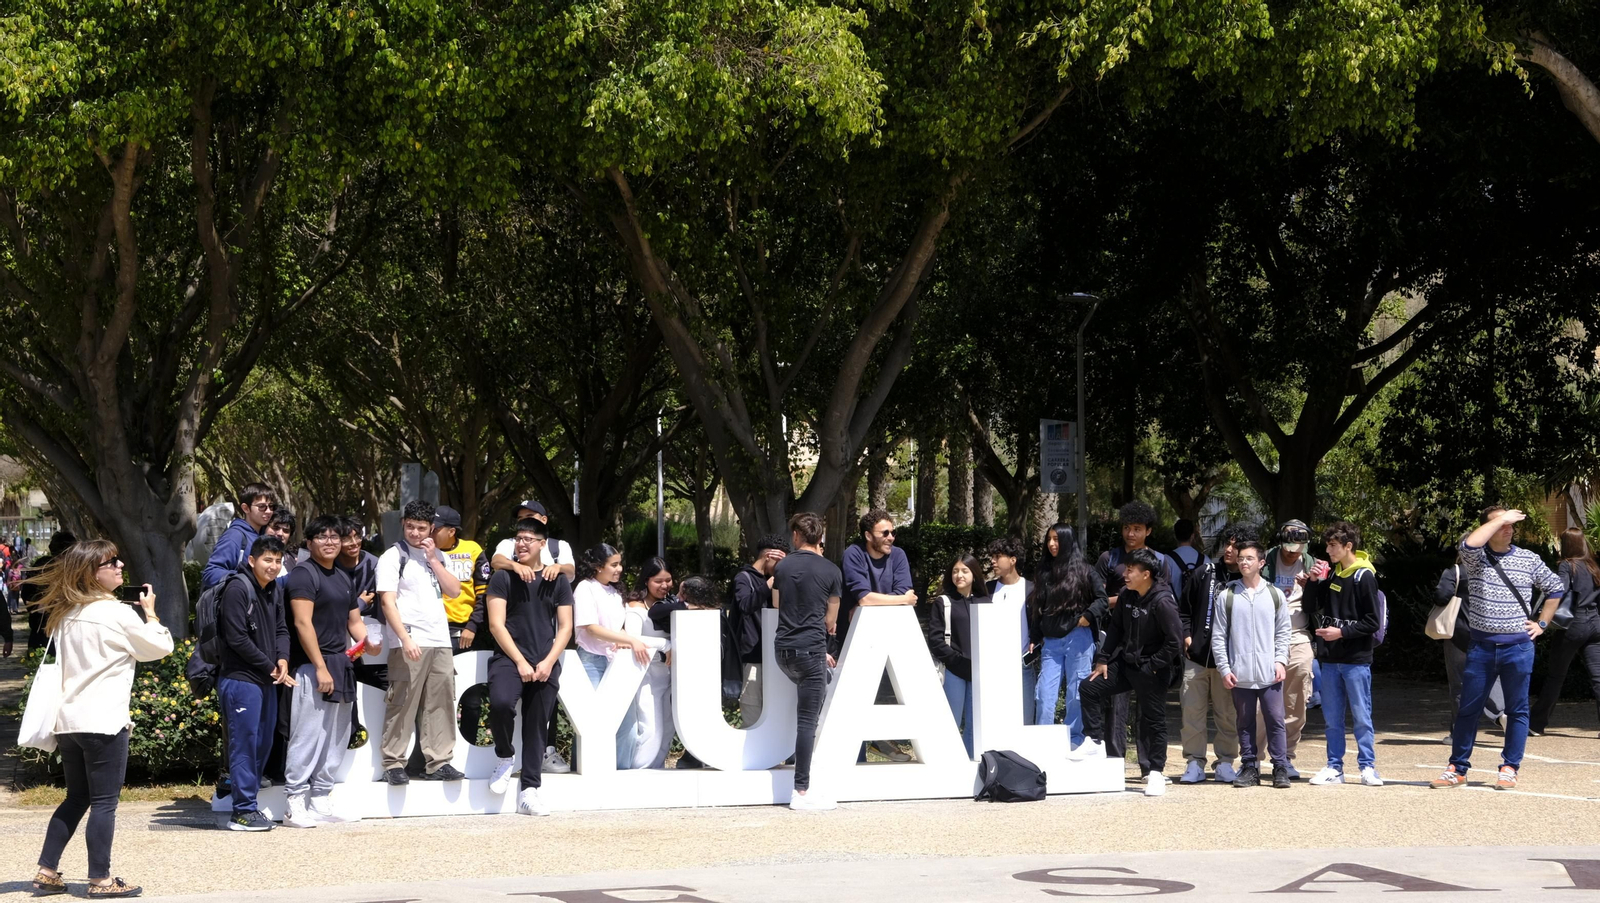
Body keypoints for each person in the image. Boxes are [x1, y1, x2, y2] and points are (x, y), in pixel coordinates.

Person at [28, 539, 173, 897]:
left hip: (69, 721)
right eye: (111, 563)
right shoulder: (116, 613)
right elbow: (160, 647)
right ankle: (100, 880)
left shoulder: (67, 614)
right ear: (92, 573)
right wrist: (151, 613)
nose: (120, 566)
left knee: (76, 798)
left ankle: (47, 871)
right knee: (104, 803)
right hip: (104, 720)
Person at [1432, 508, 1565, 790]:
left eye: (1510, 524)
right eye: (1501, 524)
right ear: (1488, 528)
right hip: (1481, 647)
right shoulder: (1476, 559)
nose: (1508, 528)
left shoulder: (1528, 558)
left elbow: (1555, 587)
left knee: (1517, 710)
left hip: (1518, 647)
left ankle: (1509, 768)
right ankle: (1457, 768)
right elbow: (1468, 545)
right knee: (1468, 708)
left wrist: (1542, 623)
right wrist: (1500, 519)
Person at [483, 517, 573, 817]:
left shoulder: (557, 580)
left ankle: (530, 789)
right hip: (509, 659)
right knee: (500, 704)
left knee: (537, 725)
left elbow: (565, 627)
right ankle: (505, 755)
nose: (522, 544)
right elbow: (496, 625)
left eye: (528, 539)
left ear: (542, 544)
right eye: (518, 538)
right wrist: (520, 661)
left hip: (545, 661)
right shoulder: (503, 577)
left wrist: (548, 661)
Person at [282, 515, 367, 828]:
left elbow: (354, 621)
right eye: (322, 537)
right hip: (311, 666)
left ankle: (320, 798)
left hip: (341, 664)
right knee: (308, 735)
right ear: (309, 542)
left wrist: (367, 642)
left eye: (335, 537)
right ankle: (294, 802)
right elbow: (302, 623)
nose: (330, 542)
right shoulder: (304, 574)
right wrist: (319, 667)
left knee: (337, 735)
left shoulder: (343, 576)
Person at [1075, 548, 1182, 797]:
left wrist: (1153, 665)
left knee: (1153, 720)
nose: (1125, 574)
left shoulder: (1162, 601)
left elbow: (1174, 641)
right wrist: (1103, 659)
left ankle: (1155, 772)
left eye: (1131, 570)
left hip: (1153, 669)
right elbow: (1115, 629)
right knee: (1089, 687)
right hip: (1126, 664)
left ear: (1146, 575)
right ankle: (1094, 741)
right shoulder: (1126, 594)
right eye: (1126, 568)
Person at [375, 501, 465, 785]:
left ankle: (439, 761)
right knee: (402, 702)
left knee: (441, 703)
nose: (415, 532)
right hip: (410, 639)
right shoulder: (392, 556)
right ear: (403, 524)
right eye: (410, 526)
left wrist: (434, 559)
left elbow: (454, 591)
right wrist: (404, 638)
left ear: (432, 528)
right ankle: (393, 763)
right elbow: (387, 602)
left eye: (421, 528)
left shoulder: (438, 556)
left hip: (440, 639)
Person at [1094, 501, 1182, 775]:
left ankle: (1148, 767)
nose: (1130, 533)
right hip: (1117, 637)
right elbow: (1097, 599)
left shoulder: (1160, 561)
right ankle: (1115, 763)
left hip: (1149, 644)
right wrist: (1122, 600)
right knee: (1116, 706)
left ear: (1148, 531)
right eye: (1126, 528)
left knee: (1148, 707)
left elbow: (1162, 596)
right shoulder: (1109, 558)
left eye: (1137, 528)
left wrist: (1127, 598)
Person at [217, 536, 295, 832]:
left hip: (267, 679)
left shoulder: (273, 588)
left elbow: (281, 629)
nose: (273, 566)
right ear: (252, 560)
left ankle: (247, 805)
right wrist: (270, 666)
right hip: (241, 680)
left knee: (263, 743)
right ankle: (242, 811)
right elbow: (236, 638)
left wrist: (283, 659)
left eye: (277, 561)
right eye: (267, 560)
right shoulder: (238, 588)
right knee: (245, 745)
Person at [1304, 520, 1384, 788]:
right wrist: (1313, 581)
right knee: (1332, 718)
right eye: (1327, 545)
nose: (1328, 550)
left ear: (1348, 546)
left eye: (1333, 545)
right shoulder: (1333, 574)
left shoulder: (1364, 576)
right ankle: (1334, 767)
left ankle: (1368, 767)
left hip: (1355, 660)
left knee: (1361, 716)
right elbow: (1311, 606)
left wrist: (1341, 633)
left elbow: (1373, 621)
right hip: (1330, 659)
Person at [1211, 540, 1292, 789]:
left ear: (1261, 563)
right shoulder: (1227, 596)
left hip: (1270, 672)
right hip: (1240, 672)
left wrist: (1280, 660)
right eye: (1241, 558)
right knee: (1244, 722)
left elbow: (1283, 632)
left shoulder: (1275, 595)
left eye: (1249, 558)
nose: (1243, 562)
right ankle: (1249, 766)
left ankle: (1280, 767)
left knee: (1275, 720)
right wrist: (1225, 668)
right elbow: (1219, 636)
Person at [773, 511, 841, 810]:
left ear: (796, 536)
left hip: (783, 651)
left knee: (801, 714)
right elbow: (830, 620)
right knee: (806, 723)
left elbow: (777, 603)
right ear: (820, 538)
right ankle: (801, 791)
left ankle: (802, 784)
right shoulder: (831, 570)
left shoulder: (783, 566)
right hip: (812, 651)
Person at [840, 508, 917, 762]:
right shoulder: (854, 554)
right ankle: (856, 756)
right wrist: (894, 600)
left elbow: (903, 594)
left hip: (891, 637)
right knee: (854, 696)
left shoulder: (899, 555)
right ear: (868, 535)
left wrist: (872, 602)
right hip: (855, 639)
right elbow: (864, 597)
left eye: (892, 532)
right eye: (884, 533)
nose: (891, 537)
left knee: (885, 693)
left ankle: (881, 742)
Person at [573, 543, 652, 769]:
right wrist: (630, 640)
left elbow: (617, 627)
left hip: (615, 661)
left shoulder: (616, 592)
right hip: (591, 660)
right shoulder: (585, 588)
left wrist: (625, 637)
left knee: (627, 723)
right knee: (590, 723)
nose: (620, 569)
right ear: (599, 566)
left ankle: (621, 770)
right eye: (614, 565)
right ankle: (585, 771)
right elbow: (590, 627)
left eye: (620, 564)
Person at [1176, 527, 1245, 784]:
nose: (1228, 549)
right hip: (1197, 656)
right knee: (1191, 712)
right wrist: (1186, 635)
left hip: (1230, 662)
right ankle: (1194, 762)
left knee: (1227, 714)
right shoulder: (1205, 572)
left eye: (1235, 546)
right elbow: (1183, 609)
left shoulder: (1250, 581)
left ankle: (1225, 762)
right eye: (1227, 544)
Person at [1026, 527, 1107, 747]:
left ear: (1068, 541)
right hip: (1051, 642)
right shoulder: (1044, 571)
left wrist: (1087, 616)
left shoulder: (1086, 571)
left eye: (1057, 539)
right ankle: (1043, 741)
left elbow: (1102, 600)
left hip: (1079, 638)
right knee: (1044, 693)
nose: (1052, 544)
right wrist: (1035, 635)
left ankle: (1073, 740)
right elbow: (1038, 606)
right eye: (1049, 539)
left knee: (1076, 692)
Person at [1258, 519, 1326, 779]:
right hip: (1266, 638)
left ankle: (1285, 756)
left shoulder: (1313, 564)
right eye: (1288, 548)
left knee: (1295, 700)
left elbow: (1322, 605)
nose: (1292, 553)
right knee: (1259, 702)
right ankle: (1254, 757)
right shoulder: (1265, 561)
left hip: (1299, 636)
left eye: (1298, 549)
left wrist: (1313, 587)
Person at [1530, 529, 1600, 736]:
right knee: (1598, 677)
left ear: (1566, 544)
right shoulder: (1593, 566)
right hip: (1595, 623)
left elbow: (1558, 591)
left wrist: (1542, 619)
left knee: (1556, 675)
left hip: (1573, 624)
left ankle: (1536, 724)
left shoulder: (1567, 566)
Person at [1436, 551, 1506, 735]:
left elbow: (1441, 596)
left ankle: (1459, 732)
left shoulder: (1456, 571)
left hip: (1459, 634)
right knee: (1492, 676)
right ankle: (1501, 713)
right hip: (1488, 633)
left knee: (1459, 684)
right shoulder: (1494, 571)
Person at [926, 553, 988, 756]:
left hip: (979, 671)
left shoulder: (986, 601)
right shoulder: (943, 602)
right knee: (951, 721)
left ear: (974, 574)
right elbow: (935, 640)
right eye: (955, 571)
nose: (959, 575)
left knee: (975, 723)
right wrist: (955, 660)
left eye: (964, 570)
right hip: (954, 670)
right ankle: (947, 760)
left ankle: (971, 761)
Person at [729, 535, 787, 725]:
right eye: (779, 562)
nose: (781, 568)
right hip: (752, 655)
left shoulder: (776, 580)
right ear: (768, 556)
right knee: (752, 706)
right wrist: (769, 584)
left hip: (774, 653)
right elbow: (745, 605)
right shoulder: (743, 578)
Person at [624, 558, 676, 769]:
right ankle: (640, 770)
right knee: (651, 729)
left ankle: (657, 769)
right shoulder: (636, 606)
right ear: (646, 581)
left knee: (669, 728)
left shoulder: (672, 603)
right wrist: (665, 644)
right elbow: (631, 637)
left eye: (668, 580)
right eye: (658, 581)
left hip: (670, 674)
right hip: (646, 674)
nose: (664, 585)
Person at [989, 535, 1036, 726]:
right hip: (993, 666)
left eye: (997, 556)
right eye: (992, 557)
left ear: (1013, 560)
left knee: (1025, 721)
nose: (992, 561)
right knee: (995, 721)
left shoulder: (1031, 589)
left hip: (1022, 665)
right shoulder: (988, 589)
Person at [202, 482, 275, 590]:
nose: (268, 511)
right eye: (261, 507)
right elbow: (210, 573)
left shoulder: (265, 536)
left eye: (271, 506)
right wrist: (246, 579)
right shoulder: (234, 536)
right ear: (246, 508)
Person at [430, 505, 482, 653]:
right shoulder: (422, 552)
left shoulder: (472, 550)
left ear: (451, 531)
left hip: (462, 630)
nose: (430, 533)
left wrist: (472, 626)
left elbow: (483, 594)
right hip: (429, 628)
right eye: (429, 528)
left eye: (436, 529)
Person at [487, 500, 576, 584]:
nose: (524, 521)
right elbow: (496, 561)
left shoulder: (559, 546)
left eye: (529, 517)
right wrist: (515, 566)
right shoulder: (509, 543)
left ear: (544, 520)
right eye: (520, 518)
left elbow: (571, 572)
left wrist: (558, 567)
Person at [23, 532, 76, 652]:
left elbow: (27, 594)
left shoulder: (41, 565)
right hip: (51, 628)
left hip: (42, 628)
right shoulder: (71, 569)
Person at [265, 510, 299, 583]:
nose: (280, 533)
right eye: (275, 528)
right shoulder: (252, 553)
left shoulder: (293, 561)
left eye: (286, 531)